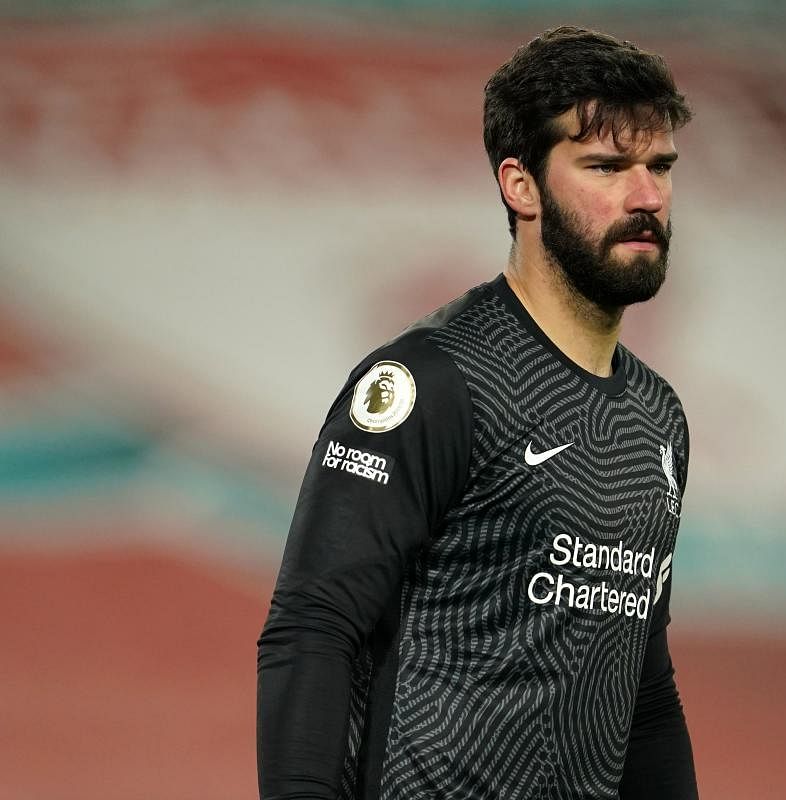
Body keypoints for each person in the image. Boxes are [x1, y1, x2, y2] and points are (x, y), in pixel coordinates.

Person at [257, 25, 697, 800]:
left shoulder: (659, 419)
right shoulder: (432, 380)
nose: (646, 197)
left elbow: (643, 693)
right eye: (606, 166)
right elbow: (314, 628)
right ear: (520, 185)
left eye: (659, 167)